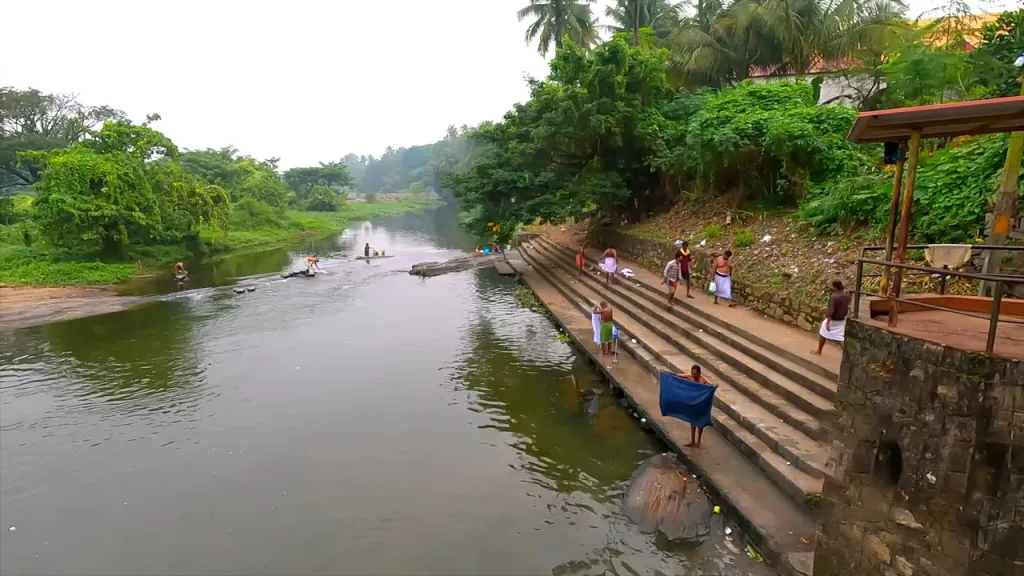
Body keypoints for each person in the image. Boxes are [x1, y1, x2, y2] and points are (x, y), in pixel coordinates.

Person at [681, 365, 717, 449]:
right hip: (693, 402)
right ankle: (692, 441)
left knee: (700, 422)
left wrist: (715, 385)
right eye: (692, 373)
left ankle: (698, 442)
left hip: (701, 403)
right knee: (692, 421)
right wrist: (667, 373)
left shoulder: (702, 379)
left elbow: (711, 384)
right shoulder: (690, 377)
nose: (693, 375)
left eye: (695, 373)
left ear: (699, 373)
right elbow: (678, 375)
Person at [813, 280, 851, 355]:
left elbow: (832, 310)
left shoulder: (834, 296)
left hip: (833, 320)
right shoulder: (847, 296)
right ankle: (848, 355)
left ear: (835, 287)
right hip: (841, 320)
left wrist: (828, 322)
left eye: (832, 286)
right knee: (841, 338)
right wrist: (826, 310)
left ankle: (819, 351)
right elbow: (842, 308)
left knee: (822, 333)